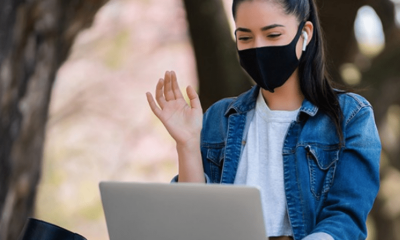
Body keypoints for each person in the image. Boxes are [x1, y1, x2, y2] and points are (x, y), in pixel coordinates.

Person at [146, 0, 381, 239]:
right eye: (245, 38)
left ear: (305, 34)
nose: (258, 48)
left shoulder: (352, 115)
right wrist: (186, 145)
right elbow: (194, 220)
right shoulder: (219, 118)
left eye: (273, 34)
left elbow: (346, 217)